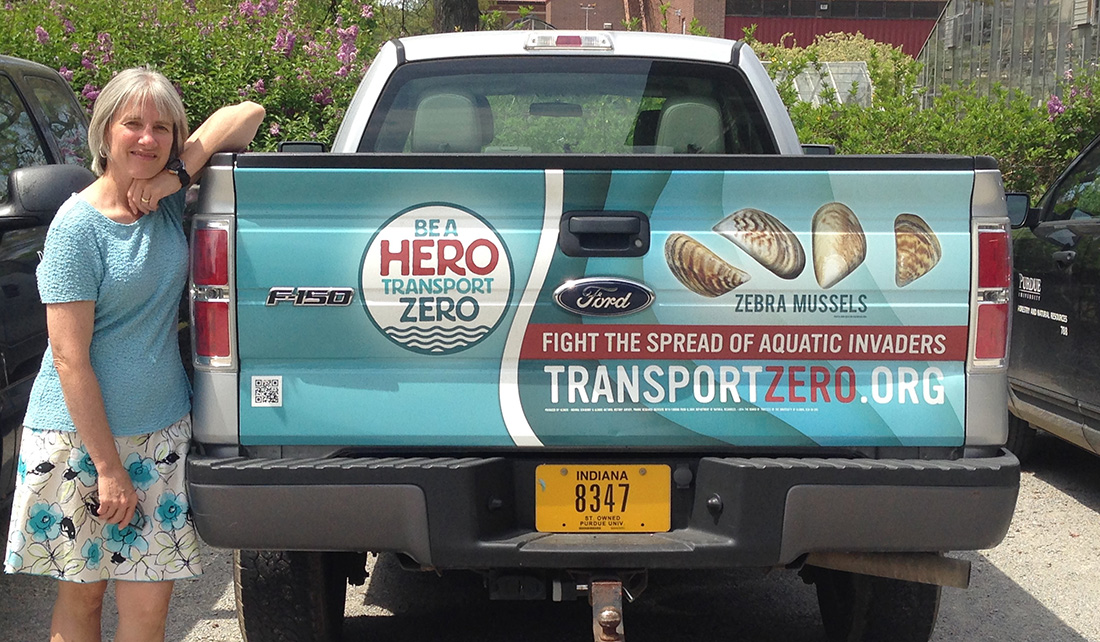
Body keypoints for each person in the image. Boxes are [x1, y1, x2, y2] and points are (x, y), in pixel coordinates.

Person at [3, 66, 264, 642]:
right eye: (133, 124)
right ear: (104, 133)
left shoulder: (164, 203)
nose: (147, 138)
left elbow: (246, 115)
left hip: (161, 435)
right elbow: (70, 360)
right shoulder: (77, 227)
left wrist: (175, 178)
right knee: (84, 604)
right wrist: (107, 468)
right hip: (82, 445)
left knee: (147, 616)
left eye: (163, 128)